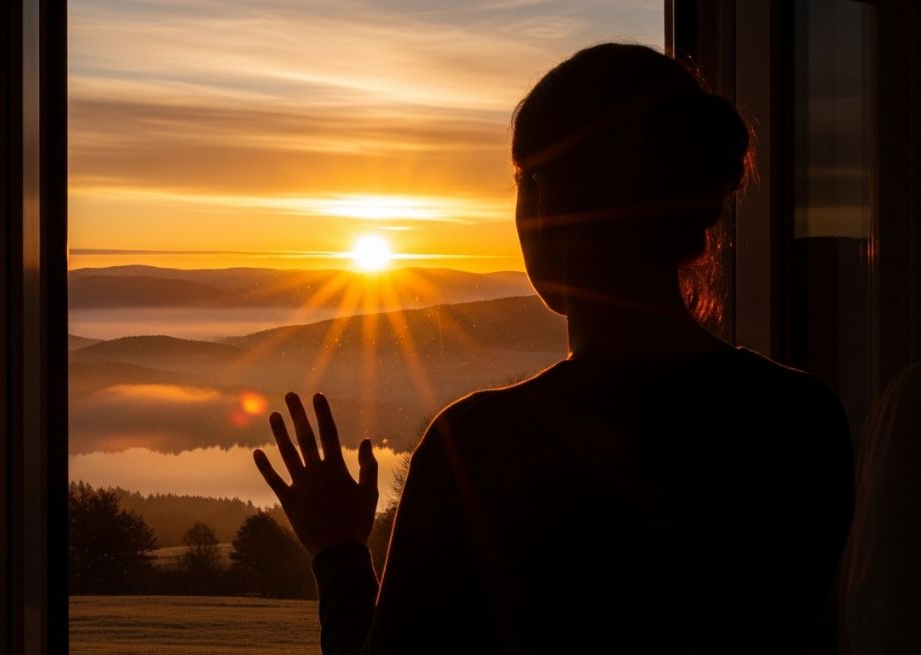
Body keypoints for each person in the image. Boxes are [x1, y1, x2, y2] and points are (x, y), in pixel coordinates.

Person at [253, 43, 853, 654]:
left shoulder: (480, 449)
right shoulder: (804, 418)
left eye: (520, 180)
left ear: (543, 200)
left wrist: (338, 551)